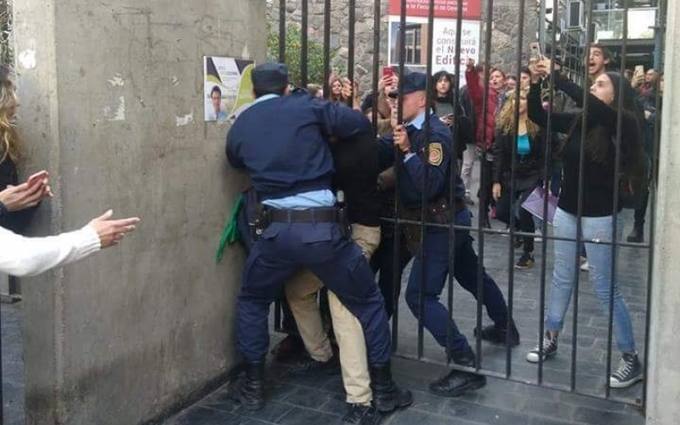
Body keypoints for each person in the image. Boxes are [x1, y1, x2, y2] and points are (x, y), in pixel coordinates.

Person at [225, 63, 411, 412]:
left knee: (252, 300)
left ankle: (252, 386)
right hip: (322, 230)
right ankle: (383, 389)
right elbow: (356, 124)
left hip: (275, 232)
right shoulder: (306, 106)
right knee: (366, 303)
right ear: (285, 87)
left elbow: (235, 159)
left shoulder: (243, 123)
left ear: (253, 91)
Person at [377, 72, 519, 398]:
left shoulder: (434, 134)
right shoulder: (408, 130)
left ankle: (465, 364)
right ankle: (505, 327)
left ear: (422, 99)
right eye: (392, 97)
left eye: (402, 96)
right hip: (434, 221)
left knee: (419, 296)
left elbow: (429, 183)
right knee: (471, 275)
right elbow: (378, 151)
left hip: (441, 224)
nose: (394, 102)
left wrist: (410, 153)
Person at [526, 59, 646, 389]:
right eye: (594, 84)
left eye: (601, 84)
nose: (594, 87)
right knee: (562, 275)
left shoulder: (624, 122)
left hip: (601, 217)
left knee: (605, 286)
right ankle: (551, 337)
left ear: (616, 94)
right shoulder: (582, 120)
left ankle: (631, 357)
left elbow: (589, 101)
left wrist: (558, 76)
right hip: (566, 211)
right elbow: (539, 116)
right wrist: (537, 82)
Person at [284, 126, 387, 425]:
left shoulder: (354, 148)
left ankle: (360, 399)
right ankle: (322, 356)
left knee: (340, 301)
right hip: (331, 238)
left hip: (358, 234)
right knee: (297, 289)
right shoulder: (324, 152)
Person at [492, 88, 547, 269]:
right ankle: (521, 231)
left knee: (525, 210)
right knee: (500, 211)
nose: (519, 102)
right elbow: (499, 155)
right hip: (511, 175)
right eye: (515, 99)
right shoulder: (504, 125)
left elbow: (546, 152)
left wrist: (544, 176)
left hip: (532, 175)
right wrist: (496, 181)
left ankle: (528, 252)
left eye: (523, 98)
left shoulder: (538, 124)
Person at [466, 60, 505, 227]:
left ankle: (497, 210)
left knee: (499, 180)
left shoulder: (509, 97)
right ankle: (483, 217)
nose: (494, 79)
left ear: (504, 80)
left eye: (498, 77)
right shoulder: (484, 95)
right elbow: (474, 90)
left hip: (504, 146)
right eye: (492, 77)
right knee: (487, 180)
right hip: (488, 144)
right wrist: (471, 72)